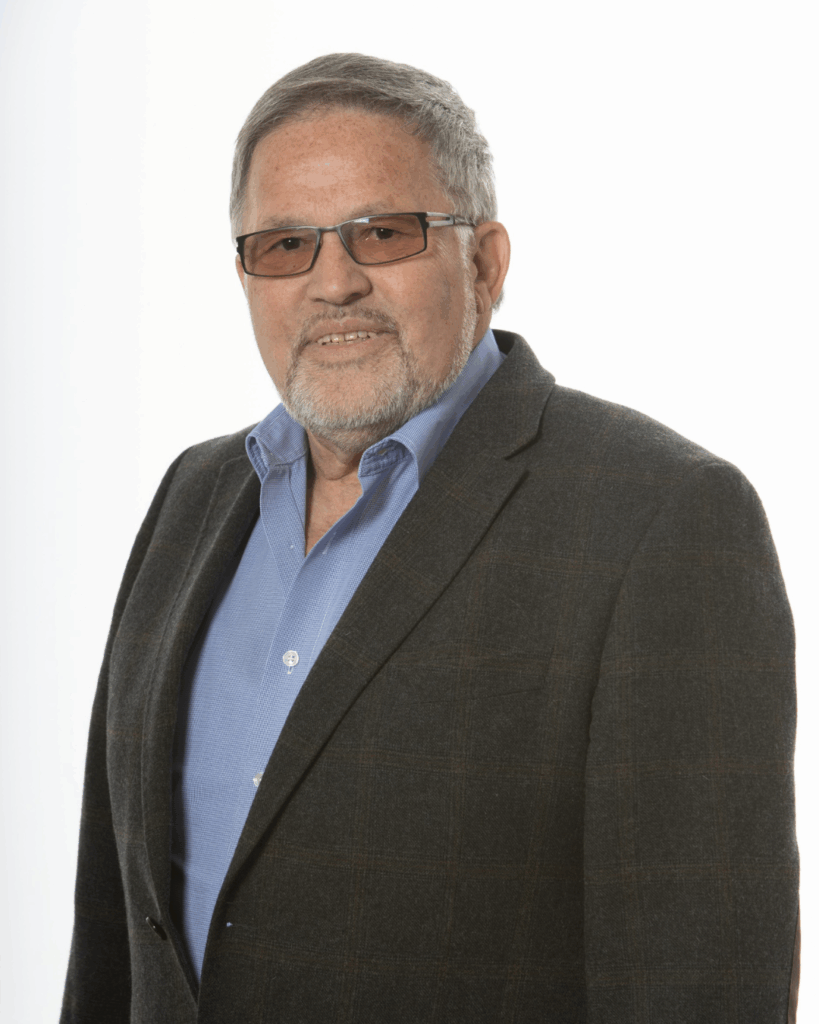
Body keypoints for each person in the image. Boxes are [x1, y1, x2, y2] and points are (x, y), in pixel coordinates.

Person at [61, 53, 799, 1024]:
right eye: (285, 245)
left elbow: (700, 986)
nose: (333, 284)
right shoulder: (193, 497)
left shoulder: (659, 520)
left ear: (483, 263)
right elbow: (113, 938)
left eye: (383, 233)